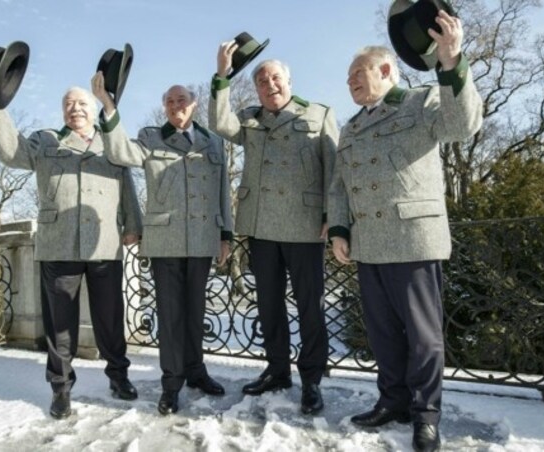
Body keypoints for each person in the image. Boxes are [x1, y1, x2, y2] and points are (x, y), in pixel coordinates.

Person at [327, 10, 482, 452]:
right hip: (369, 244)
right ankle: (391, 402)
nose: (351, 82)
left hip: (413, 239)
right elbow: (339, 186)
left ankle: (426, 414)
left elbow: (463, 125)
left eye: (358, 73)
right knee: (381, 334)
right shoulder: (350, 127)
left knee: (423, 337)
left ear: (386, 70)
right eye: (348, 77)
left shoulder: (421, 102)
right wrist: (340, 229)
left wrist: (452, 63)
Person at [0, 79, 143, 420]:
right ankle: (61, 388)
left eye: (81, 103)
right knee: (59, 324)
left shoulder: (111, 142)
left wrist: (134, 225)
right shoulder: (44, 140)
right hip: (58, 244)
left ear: (94, 108)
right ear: (62, 111)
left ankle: (118, 376)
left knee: (109, 318)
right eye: (69, 104)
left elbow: (126, 183)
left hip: (103, 241)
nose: (75, 108)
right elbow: (12, 154)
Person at [91, 73, 233, 415]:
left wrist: (225, 235)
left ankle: (196, 372)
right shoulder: (151, 138)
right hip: (165, 241)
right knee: (170, 318)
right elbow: (120, 151)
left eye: (181, 100)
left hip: (201, 240)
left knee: (196, 313)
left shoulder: (213, 142)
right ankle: (172, 384)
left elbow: (222, 191)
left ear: (194, 104)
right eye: (169, 102)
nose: (175, 106)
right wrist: (109, 107)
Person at [209, 43, 338, 415]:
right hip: (262, 225)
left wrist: (333, 217)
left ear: (289, 81)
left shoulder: (318, 114)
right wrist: (222, 76)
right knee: (268, 306)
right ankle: (277, 370)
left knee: (310, 308)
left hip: (305, 227)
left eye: (275, 78)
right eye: (262, 80)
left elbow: (334, 170)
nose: (269, 84)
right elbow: (220, 123)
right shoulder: (249, 120)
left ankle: (312, 379)